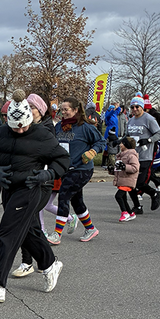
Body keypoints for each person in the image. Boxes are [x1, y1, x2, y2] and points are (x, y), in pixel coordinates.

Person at [0, 90, 69, 303]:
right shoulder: (0, 133)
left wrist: (48, 173)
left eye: (24, 125)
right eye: (16, 127)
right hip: (10, 188)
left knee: (7, 234)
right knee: (28, 230)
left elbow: (63, 159)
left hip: (32, 187)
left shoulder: (42, 134)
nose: (21, 130)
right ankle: (49, 263)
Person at [47, 96, 106, 244]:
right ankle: (91, 229)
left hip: (82, 169)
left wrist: (92, 151)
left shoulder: (86, 127)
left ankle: (57, 234)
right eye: (62, 110)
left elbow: (101, 141)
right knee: (77, 201)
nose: (63, 112)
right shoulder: (59, 126)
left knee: (64, 195)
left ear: (75, 110)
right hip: (66, 169)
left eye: (66, 110)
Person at [124, 96, 160, 214]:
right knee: (129, 183)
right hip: (132, 156)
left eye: (137, 107)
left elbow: (159, 134)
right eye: (132, 107)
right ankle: (137, 206)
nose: (134, 109)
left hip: (145, 155)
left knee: (140, 183)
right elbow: (127, 136)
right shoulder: (130, 120)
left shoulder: (149, 119)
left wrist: (149, 140)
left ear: (142, 107)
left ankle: (154, 193)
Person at [111, 137, 139, 222]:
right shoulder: (121, 155)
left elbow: (135, 168)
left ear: (126, 145)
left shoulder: (131, 155)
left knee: (118, 196)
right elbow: (118, 169)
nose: (120, 145)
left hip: (128, 180)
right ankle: (130, 213)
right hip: (122, 179)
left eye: (122, 143)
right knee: (123, 198)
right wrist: (112, 170)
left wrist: (125, 167)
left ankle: (124, 212)